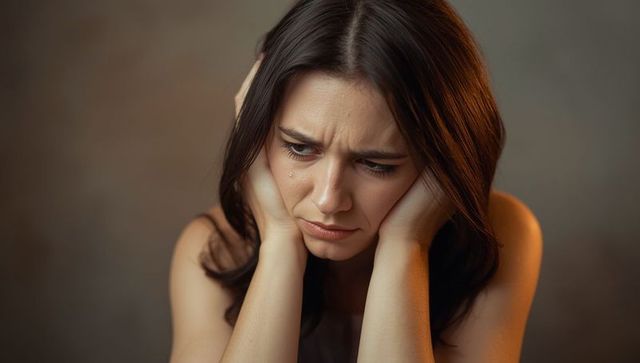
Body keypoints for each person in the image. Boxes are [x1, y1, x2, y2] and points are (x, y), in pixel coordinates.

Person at [169, 1, 543, 362]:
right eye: (299, 147)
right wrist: (280, 243)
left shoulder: (499, 236)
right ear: (259, 137)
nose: (329, 200)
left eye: (376, 164)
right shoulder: (215, 247)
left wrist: (406, 245)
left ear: (440, 160)